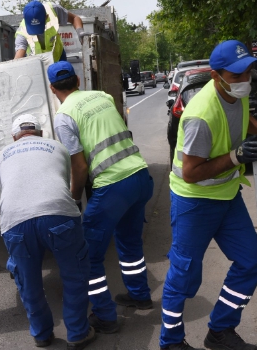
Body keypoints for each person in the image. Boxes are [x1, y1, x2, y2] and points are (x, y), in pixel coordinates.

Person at [159, 40, 257, 350]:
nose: (244, 80)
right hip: (194, 201)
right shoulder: (201, 116)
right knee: (183, 275)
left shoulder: (236, 94)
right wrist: (237, 157)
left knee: (252, 260)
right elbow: (191, 172)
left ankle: (220, 330)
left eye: (248, 72)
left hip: (226, 196)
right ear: (217, 76)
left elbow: (242, 117)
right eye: (236, 75)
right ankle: (170, 342)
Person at [48, 61, 155, 334]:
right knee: (129, 243)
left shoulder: (63, 116)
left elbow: (79, 166)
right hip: (140, 176)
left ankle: (106, 316)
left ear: (52, 89)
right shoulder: (102, 96)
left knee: (88, 255)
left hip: (113, 186)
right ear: (78, 81)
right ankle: (140, 296)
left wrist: (72, 202)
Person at [0, 114, 95, 349]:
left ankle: (41, 334)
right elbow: (61, 180)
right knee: (74, 274)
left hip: (15, 220)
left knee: (28, 282)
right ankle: (78, 333)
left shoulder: (2, 155)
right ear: (41, 133)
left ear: (14, 137)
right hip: (57, 212)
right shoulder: (57, 147)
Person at [15, 1, 86, 62]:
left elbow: (74, 18)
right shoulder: (22, 33)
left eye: (39, 27)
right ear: (24, 19)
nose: (37, 32)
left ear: (46, 16)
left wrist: (80, 32)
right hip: (38, 63)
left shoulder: (54, 10)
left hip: (58, 56)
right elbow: (18, 57)